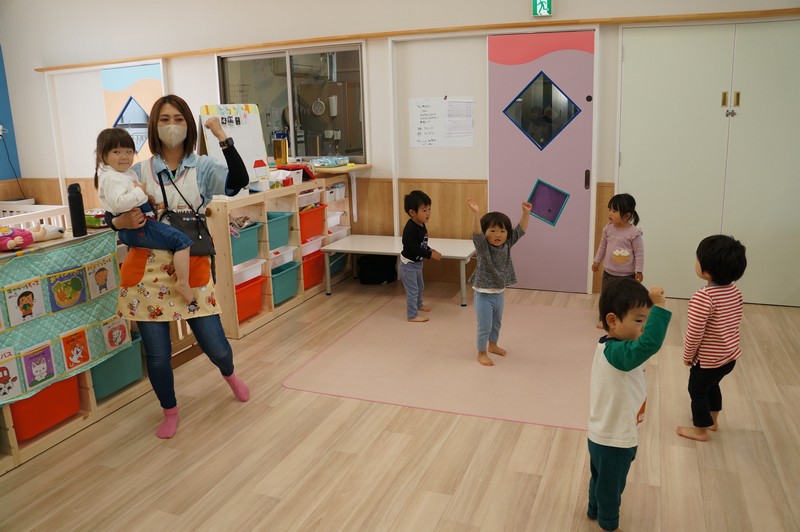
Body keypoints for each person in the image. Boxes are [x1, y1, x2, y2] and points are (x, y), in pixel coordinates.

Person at [108, 94, 250, 439]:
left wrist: (222, 137)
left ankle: (230, 373)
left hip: (192, 263)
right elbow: (112, 217)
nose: (172, 126)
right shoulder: (137, 171)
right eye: (164, 119)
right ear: (153, 127)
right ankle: (169, 411)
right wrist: (118, 222)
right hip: (146, 271)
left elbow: (239, 180)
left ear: (188, 125)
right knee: (157, 355)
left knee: (214, 343)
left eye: (178, 119)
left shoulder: (203, 167)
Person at [588, 278, 671, 532]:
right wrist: (658, 308)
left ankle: (594, 510)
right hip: (615, 439)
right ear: (613, 321)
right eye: (639, 321)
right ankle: (608, 524)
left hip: (602, 434)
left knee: (600, 478)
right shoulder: (619, 354)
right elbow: (650, 345)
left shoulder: (609, 346)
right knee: (612, 486)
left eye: (647, 320)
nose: (644, 328)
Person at [94, 127, 194, 304]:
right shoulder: (113, 177)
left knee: (178, 241)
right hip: (139, 228)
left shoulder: (126, 173)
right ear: (103, 155)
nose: (124, 156)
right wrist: (140, 192)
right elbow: (118, 205)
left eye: (129, 152)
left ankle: (181, 281)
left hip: (144, 226)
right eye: (116, 152)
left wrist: (144, 196)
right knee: (182, 241)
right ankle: (182, 282)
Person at [677, 235, 747, 442]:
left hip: (708, 361)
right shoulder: (734, 291)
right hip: (728, 357)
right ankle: (713, 421)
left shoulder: (703, 298)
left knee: (697, 391)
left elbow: (694, 333)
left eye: (697, 259)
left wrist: (688, 356)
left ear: (706, 271)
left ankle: (700, 430)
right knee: (712, 385)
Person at [466, 198, 531, 366]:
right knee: (485, 326)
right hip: (483, 294)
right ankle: (481, 352)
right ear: (485, 232)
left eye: (502, 231)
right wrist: (476, 214)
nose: (498, 235)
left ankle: (493, 345)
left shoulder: (507, 244)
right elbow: (477, 233)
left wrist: (525, 213)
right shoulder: (483, 247)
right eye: (493, 230)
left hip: (499, 293)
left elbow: (520, 230)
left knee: (496, 323)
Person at [399, 190, 442, 322]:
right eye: (424, 210)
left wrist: (429, 249)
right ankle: (412, 315)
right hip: (408, 265)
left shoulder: (421, 224)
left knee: (420, 286)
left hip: (417, 264)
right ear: (412, 212)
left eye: (429, 209)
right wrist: (430, 254)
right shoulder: (410, 229)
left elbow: (421, 244)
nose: (428, 213)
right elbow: (415, 248)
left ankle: (418, 304)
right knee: (413, 290)